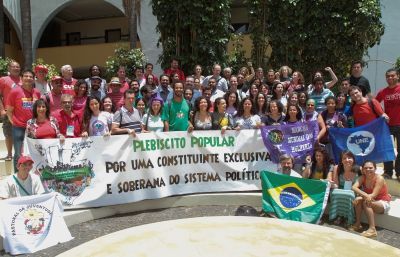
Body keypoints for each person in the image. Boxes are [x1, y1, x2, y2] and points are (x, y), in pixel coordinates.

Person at [6, 69, 41, 172]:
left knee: (34, 151)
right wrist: (14, 123)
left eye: (31, 77)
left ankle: (33, 173)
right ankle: (17, 174)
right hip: (19, 127)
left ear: (34, 79)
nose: (28, 78)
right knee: (18, 152)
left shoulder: (37, 93)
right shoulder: (15, 91)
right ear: (21, 78)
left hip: (33, 127)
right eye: (26, 76)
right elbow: (9, 110)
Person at [351, 160, 391, 238]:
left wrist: (361, 196)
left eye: (370, 168)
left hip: (383, 203)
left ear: (375, 169)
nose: (368, 170)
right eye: (366, 168)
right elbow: (354, 187)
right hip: (372, 200)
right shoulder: (363, 177)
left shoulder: (380, 179)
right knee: (358, 201)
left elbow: (373, 195)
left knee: (366, 202)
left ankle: (372, 229)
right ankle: (358, 224)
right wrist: (362, 196)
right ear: (362, 170)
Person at [375, 68, 400, 181]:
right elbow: (374, 103)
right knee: (387, 150)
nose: (390, 78)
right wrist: (381, 113)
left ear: (398, 76)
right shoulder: (383, 92)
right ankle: (388, 172)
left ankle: (399, 172)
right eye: (388, 76)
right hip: (387, 125)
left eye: (392, 76)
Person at [329, 150, 360, 226]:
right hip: (340, 189)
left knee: (350, 195)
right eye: (344, 158)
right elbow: (336, 185)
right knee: (335, 192)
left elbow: (359, 185)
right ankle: (339, 215)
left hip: (353, 191)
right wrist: (330, 184)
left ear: (353, 159)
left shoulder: (359, 169)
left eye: (349, 158)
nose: (347, 160)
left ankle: (348, 217)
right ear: (341, 160)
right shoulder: (337, 168)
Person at [0, 60, 21, 161]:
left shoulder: (23, 79)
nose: (16, 68)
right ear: (9, 68)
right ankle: (9, 154)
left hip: (21, 113)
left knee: (21, 134)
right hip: (8, 111)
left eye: (18, 67)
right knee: (8, 133)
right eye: (13, 66)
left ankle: (21, 154)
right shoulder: (3, 79)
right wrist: (1, 110)